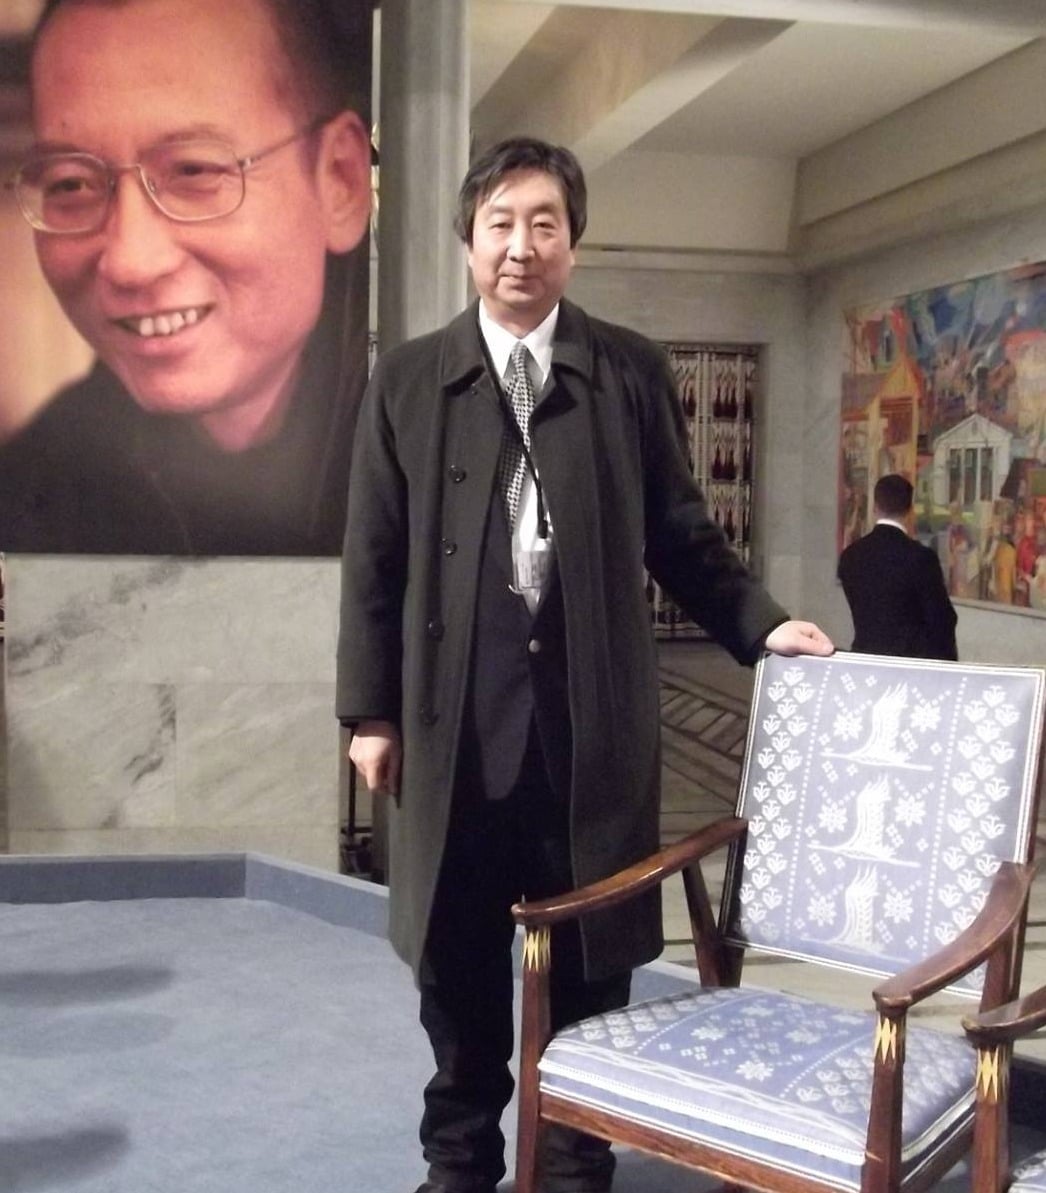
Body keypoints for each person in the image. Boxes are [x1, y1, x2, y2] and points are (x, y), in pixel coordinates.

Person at [336, 136, 834, 1193]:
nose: (521, 246)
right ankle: (459, 1159)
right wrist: (369, 712)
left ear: (573, 241)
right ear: (469, 240)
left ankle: (573, 1156)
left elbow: (681, 531)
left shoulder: (627, 371)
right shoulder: (409, 380)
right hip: (457, 731)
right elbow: (373, 558)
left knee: (591, 958)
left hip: (589, 727)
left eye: (544, 224)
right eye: (500, 224)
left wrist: (760, 624)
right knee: (458, 959)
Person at [0, 0, 372, 555]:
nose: (129, 261)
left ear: (340, 180)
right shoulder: (35, 496)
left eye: (194, 171)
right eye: (70, 184)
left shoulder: (451, 452)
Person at [837, 473, 958, 660]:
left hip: (864, 658)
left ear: (875, 507)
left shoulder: (850, 556)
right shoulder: (922, 558)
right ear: (910, 510)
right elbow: (942, 619)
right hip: (909, 664)